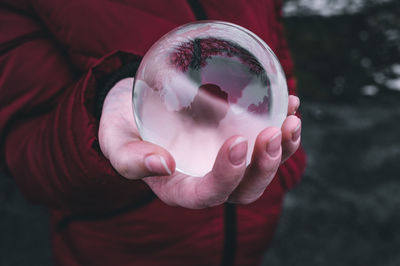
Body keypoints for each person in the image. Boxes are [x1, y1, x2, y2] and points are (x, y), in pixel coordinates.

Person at [0, 0, 306, 265]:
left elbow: (272, 48)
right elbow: (25, 145)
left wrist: (285, 167)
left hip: (253, 230)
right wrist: (103, 98)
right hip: (122, 246)